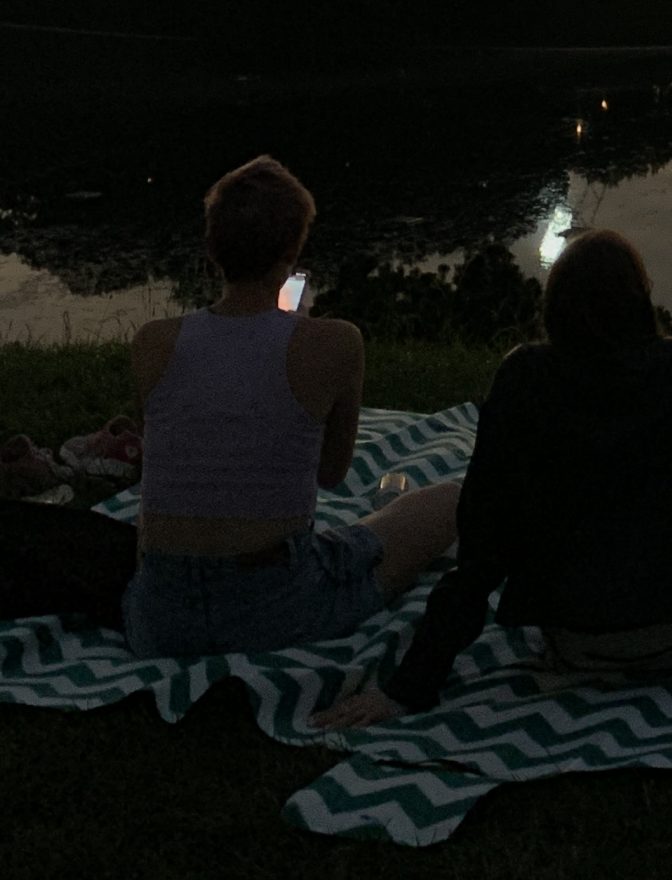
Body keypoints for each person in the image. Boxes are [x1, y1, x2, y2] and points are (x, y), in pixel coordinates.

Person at [314, 230, 672, 729]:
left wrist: (408, 687)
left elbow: (481, 555)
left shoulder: (521, 379)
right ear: (641, 301)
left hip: (577, 642)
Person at [122, 156, 460, 659]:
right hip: (277, 609)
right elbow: (330, 473)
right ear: (293, 248)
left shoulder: (152, 342)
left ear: (213, 248)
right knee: (450, 501)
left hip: (161, 617)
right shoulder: (335, 342)